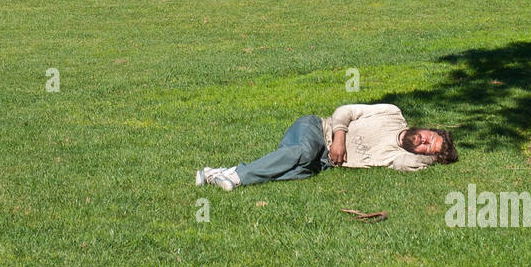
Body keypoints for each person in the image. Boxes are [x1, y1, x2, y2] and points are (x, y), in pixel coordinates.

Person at [196, 103, 457, 190]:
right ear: (427, 128)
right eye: (429, 137)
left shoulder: (398, 158)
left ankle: (216, 173)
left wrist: (437, 157)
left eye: (427, 148)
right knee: (302, 152)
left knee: (297, 172)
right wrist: (340, 137)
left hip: (322, 163)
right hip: (315, 129)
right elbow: (346, 110)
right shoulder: (392, 113)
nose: (423, 141)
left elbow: (409, 164)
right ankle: (237, 177)